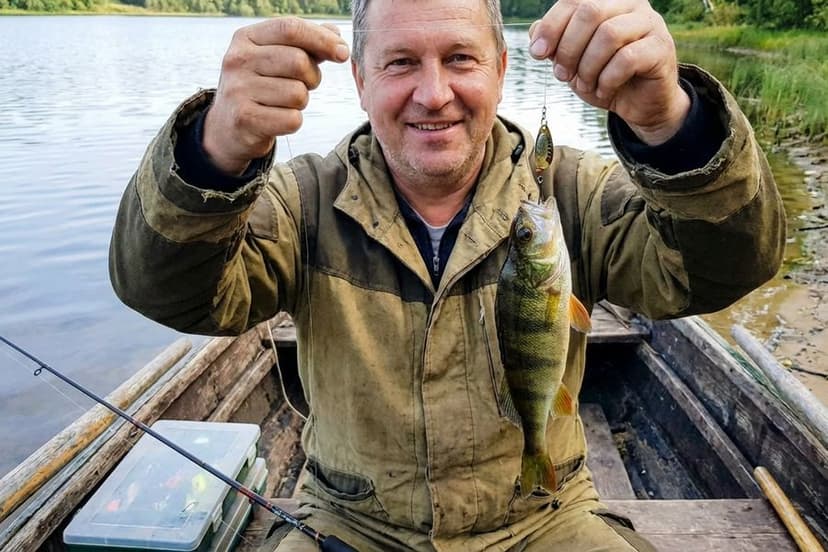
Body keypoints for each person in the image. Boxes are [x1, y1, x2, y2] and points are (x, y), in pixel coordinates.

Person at [109, 0, 786, 549]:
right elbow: (166, 290)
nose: (433, 95)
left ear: (498, 67)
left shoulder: (570, 192)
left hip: (545, 515)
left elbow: (726, 269)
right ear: (361, 79)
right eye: (402, 62)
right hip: (347, 523)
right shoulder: (301, 201)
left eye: (459, 59)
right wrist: (212, 156)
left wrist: (675, 126)